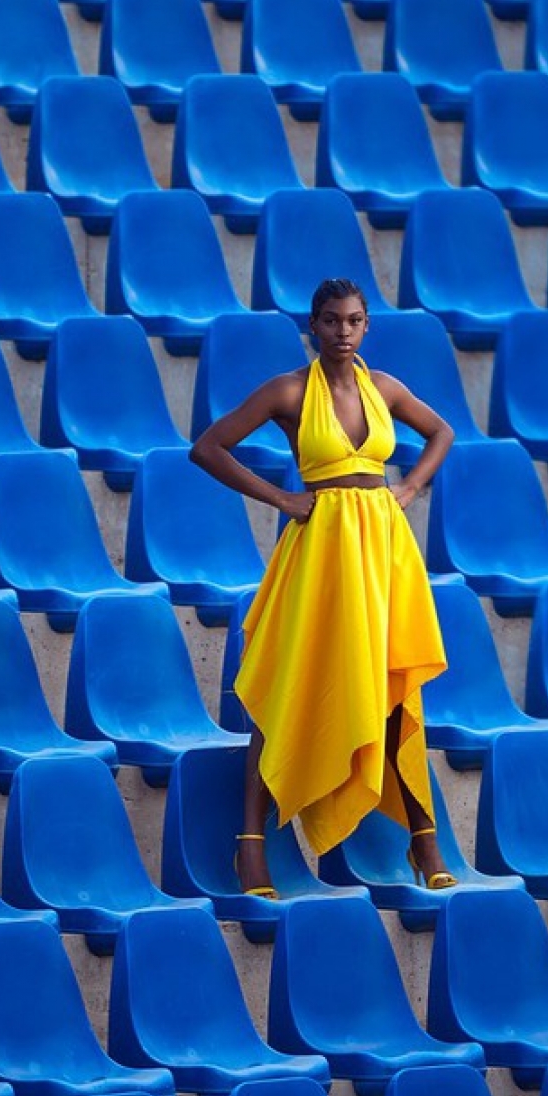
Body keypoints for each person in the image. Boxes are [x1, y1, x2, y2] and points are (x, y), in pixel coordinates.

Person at [189, 278, 455, 899]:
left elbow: (441, 432)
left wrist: (410, 488)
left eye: (355, 320)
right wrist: (283, 498)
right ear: (313, 326)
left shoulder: (384, 387)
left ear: (367, 326)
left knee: (391, 684)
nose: (343, 331)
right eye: (331, 321)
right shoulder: (288, 391)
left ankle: (424, 837)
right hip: (321, 553)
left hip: (384, 551)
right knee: (284, 685)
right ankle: (250, 848)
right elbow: (209, 447)